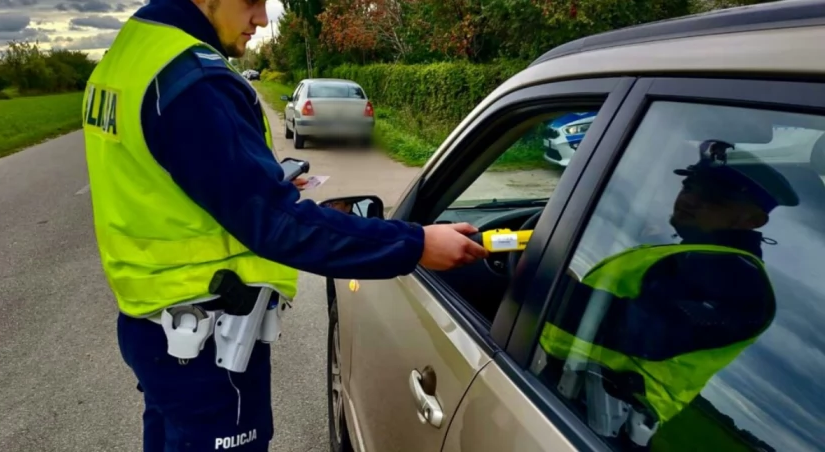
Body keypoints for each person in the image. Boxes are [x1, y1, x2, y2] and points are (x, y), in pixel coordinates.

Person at [80, 0, 488, 450]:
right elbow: (275, 223)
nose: (261, 18)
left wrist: (261, 182)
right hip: (206, 345)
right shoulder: (192, 79)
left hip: (153, 325)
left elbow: (175, 182)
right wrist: (415, 245)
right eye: (251, 1)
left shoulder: (129, 55)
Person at [535, 140, 799, 447]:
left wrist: (544, 286)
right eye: (689, 185)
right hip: (559, 387)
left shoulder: (737, 276)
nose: (690, 198)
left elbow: (648, 332)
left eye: (712, 196)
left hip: (590, 417)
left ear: (752, 220)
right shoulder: (693, 254)